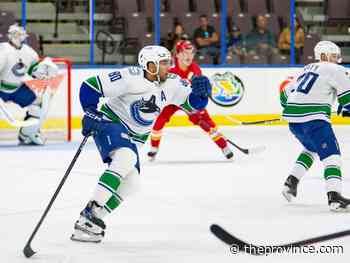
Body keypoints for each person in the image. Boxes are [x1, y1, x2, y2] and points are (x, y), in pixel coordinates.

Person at [71, 45, 211, 243]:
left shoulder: (171, 82)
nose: (168, 67)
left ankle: (92, 222)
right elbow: (91, 86)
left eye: (168, 63)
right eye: (163, 63)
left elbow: (193, 104)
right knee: (125, 157)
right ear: (149, 65)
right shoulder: (130, 77)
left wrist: (201, 95)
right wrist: (90, 110)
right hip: (111, 122)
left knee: (131, 184)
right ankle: (90, 212)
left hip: (132, 137)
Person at [281, 40, 350, 211]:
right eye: (334, 56)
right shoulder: (336, 69)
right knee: (332, 158)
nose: (336, 59)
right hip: (315, 122)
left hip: (295, 123)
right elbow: (348, 99)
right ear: (325, 56)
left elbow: (284, 96)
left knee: (311, 149)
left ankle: (291, 182)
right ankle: (334, 198)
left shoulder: (305, 69)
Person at [148, 40, 233, 161]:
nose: (189, 56)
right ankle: (154, 148)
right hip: (171, 100)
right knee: (159, 122)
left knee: (207, 123)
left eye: (191, 53)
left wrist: (197, 108)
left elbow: (196, 93)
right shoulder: (169, 69)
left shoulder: (195, 69)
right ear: (177, 54)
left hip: (187, 99)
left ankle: (224, 146)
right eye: (184, 52)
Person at [0, 24, 58, 145]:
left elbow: (33, 70)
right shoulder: (3, 49)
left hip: (17, 89)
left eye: (20, 34)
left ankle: (26, 133)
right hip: (1, 89)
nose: (18, 37)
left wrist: (44, 69)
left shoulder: (28, 51)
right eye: (15, 34)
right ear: (10, 36)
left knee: (38, 104)